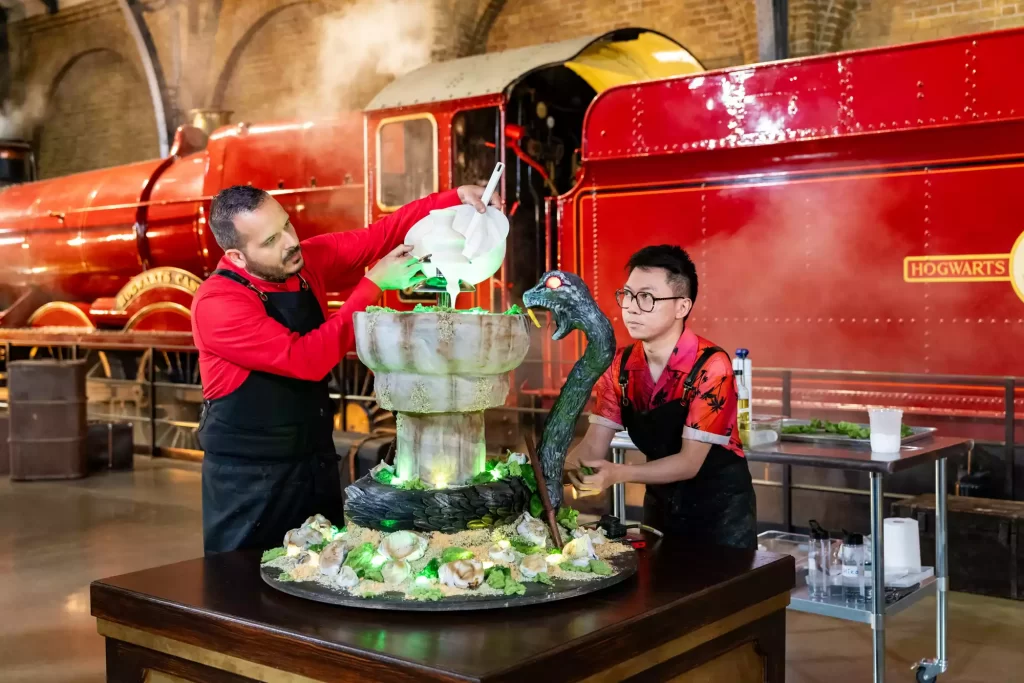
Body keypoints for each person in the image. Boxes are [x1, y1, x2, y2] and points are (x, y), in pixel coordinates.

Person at [192, 184, 498, 554]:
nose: (290, 241)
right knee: (242, 592)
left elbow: (377, 237)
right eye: (271, 240)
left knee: (322, 576)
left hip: (312, 461)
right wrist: (373, 286)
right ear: (237, 256)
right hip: (250, 482)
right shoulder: (218, 303)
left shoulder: (303, 261)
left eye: (287, 225)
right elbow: (305, 359)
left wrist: (454, 198)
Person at [565, 245, 756, 549]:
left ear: (682, 306)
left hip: (719, 514)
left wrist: (618, 473)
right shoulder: (621, 366)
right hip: (660, 506)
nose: (630, 307)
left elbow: (689, 463)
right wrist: (551, 471)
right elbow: (593, 446)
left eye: (646, 297)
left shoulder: (711, 365)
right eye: (627, 295)